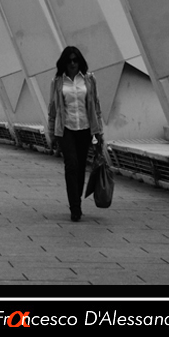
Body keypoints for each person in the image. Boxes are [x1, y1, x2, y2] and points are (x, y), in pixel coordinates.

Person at [47, 46, 103, 221]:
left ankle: (76, 197)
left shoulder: (88, 80)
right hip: (66, 129)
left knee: (79, 168)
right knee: (71, 165)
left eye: (75, 60)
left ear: (80, 62)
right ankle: (75, 207)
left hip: (85, 129)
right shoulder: (57, 82)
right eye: (69, 60)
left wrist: (99, 132)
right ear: (64, 63)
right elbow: (53, 109)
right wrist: (51, 134)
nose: (72, 64)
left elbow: (96, 106)